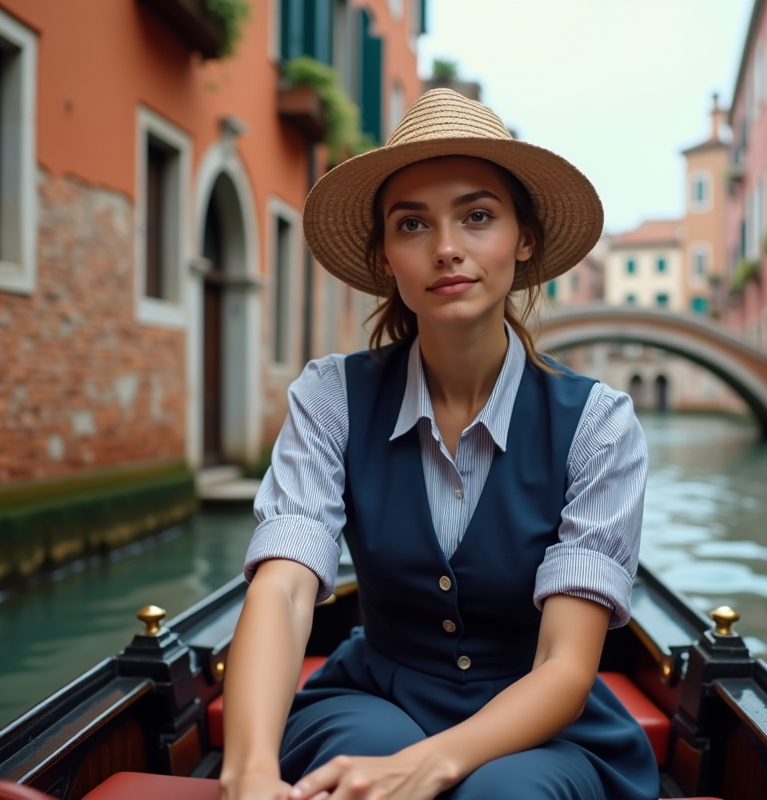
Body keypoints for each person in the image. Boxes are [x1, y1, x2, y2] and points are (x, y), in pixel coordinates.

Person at [220, 89, 658, 800]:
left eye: (477, 216)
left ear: (524, 238)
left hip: (544, 722)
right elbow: (285, 592)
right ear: (386, 255)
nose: (447, 247)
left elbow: (565, 668)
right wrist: (247, 775)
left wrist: (434, 764)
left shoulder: (598, 425)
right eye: (412, 223)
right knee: (366, 760)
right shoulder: (331, 397)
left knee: (503, 794)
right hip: (374, 697)